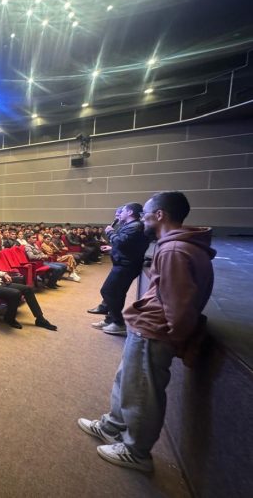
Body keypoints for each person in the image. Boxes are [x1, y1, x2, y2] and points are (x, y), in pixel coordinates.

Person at [78, 191, 215, 472]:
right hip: (148, 328)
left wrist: (172, 337)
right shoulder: (176, 245)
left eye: (146, 214)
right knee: (127, 381)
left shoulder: (175, 250)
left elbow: (177, 307)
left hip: (155, 332)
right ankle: (112, 425)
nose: (143, 219)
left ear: (160, 215)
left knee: (142, 392)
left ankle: (136, 451)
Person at [0, 242, 56, 331]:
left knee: (28, 289)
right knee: (16, 293)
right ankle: (9, 318)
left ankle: (40, 318)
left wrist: (4, 274)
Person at [91, 203, 150, 336]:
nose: (119, 214)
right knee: (117, 293)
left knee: (108, 291)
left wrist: (110, 232)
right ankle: (110, 320)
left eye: (122, 211)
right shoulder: (131, 226)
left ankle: (118, 323)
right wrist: (112, 249)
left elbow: (121, 242)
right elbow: (128, 245)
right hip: (124, 263)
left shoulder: (136, 226)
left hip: (126, 266)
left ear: (129, 212)